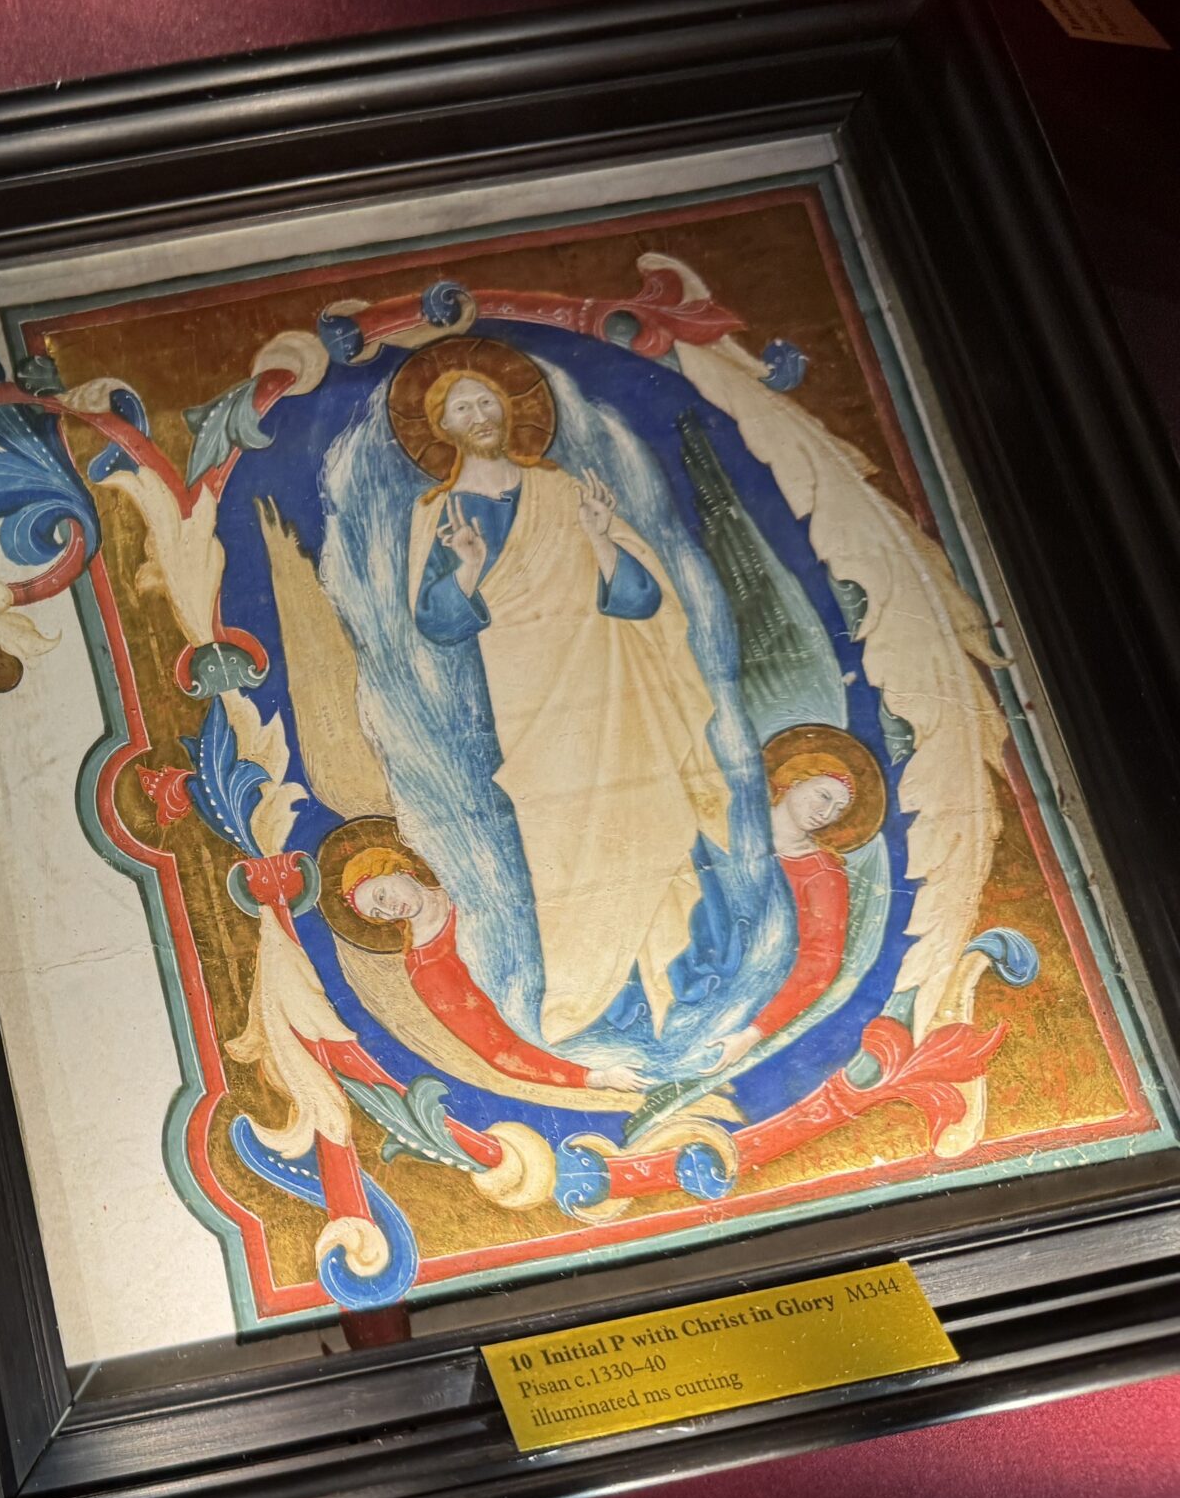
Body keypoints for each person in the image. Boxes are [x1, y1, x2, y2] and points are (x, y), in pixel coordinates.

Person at [400, 341, 730, 1045]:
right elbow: (436, 623)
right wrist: (467, 568)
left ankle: (684, 980)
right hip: (526, 695)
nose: (479, 414)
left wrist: (602, 540)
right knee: (562, 842)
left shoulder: (562, 490)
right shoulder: (438, 514)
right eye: (462, 407)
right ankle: (604, 1001)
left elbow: (641, 600)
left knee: (641, 809)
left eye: (487, 401)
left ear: (508, 409)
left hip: (606, 679)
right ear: (441, 426)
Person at [339, 845, 649, 1095]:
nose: (390, 909)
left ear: (396, 867)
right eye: (378, 913)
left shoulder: (469, 882)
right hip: (580, 1028)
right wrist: (594, 1077)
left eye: (382, 895)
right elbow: (500, 1050)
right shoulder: (428, 969)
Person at [705, 742, 866, 1071]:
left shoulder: (822, 875)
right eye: (823, 796)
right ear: (793, 780)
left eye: (838, 809)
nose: (826, 813)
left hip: (742, 996)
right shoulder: (724, 830)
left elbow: (819, 963)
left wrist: (752, 1033)